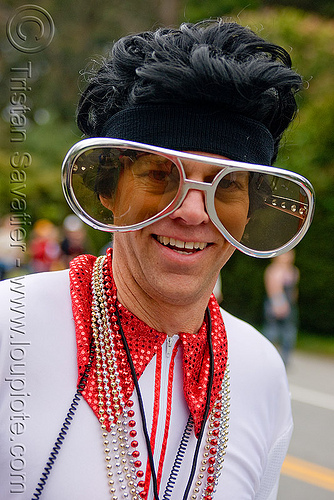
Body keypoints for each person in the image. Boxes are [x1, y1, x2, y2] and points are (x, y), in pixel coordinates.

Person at [0, 20, 315, 500]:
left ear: (249, 209)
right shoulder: (10, 326)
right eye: (159, 175)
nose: (192, 211)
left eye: (226, 184)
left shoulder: (260, 371)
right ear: (109, 189)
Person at [263, 250, 300, 366]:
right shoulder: (273, 270)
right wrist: (278, 304)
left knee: (289, 333)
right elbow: (273, 289)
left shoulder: (293, 271)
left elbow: (294, 290)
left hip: (289, 305)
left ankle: (284, 359)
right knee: (272, 331)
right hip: (276, 303)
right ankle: (266, 356)